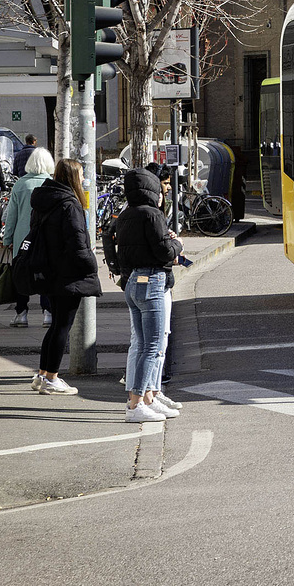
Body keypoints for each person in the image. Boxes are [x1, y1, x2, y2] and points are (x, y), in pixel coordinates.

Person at [24, 157, 99, 396]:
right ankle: (52, 377)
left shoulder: (44, 201)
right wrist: (91, 264)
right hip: (68, 274)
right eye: (81, 174)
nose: (84, 179)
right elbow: (77, 244)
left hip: (48, 271)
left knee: (56, 325)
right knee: (62, 326)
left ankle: (43, 374)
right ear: (74, 178)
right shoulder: (70, 205)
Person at [112, 168, 182, 422]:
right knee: (153, 346)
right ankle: (136, 403)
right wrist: (177, 243)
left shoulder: (126, 215)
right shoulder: (152, 214)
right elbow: (165, 252)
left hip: (133, 281)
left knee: (141, 344)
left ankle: (148, 399)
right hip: (152, 281)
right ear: (152, 190)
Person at [1, 147, 54, 329]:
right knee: (45, 275)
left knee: (21, 276)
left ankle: (21, 314)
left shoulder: (20, 185)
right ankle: (48, 313)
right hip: (46, 240)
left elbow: (11, 217)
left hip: (22, 239)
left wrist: (7, 240)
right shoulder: (51, 183)